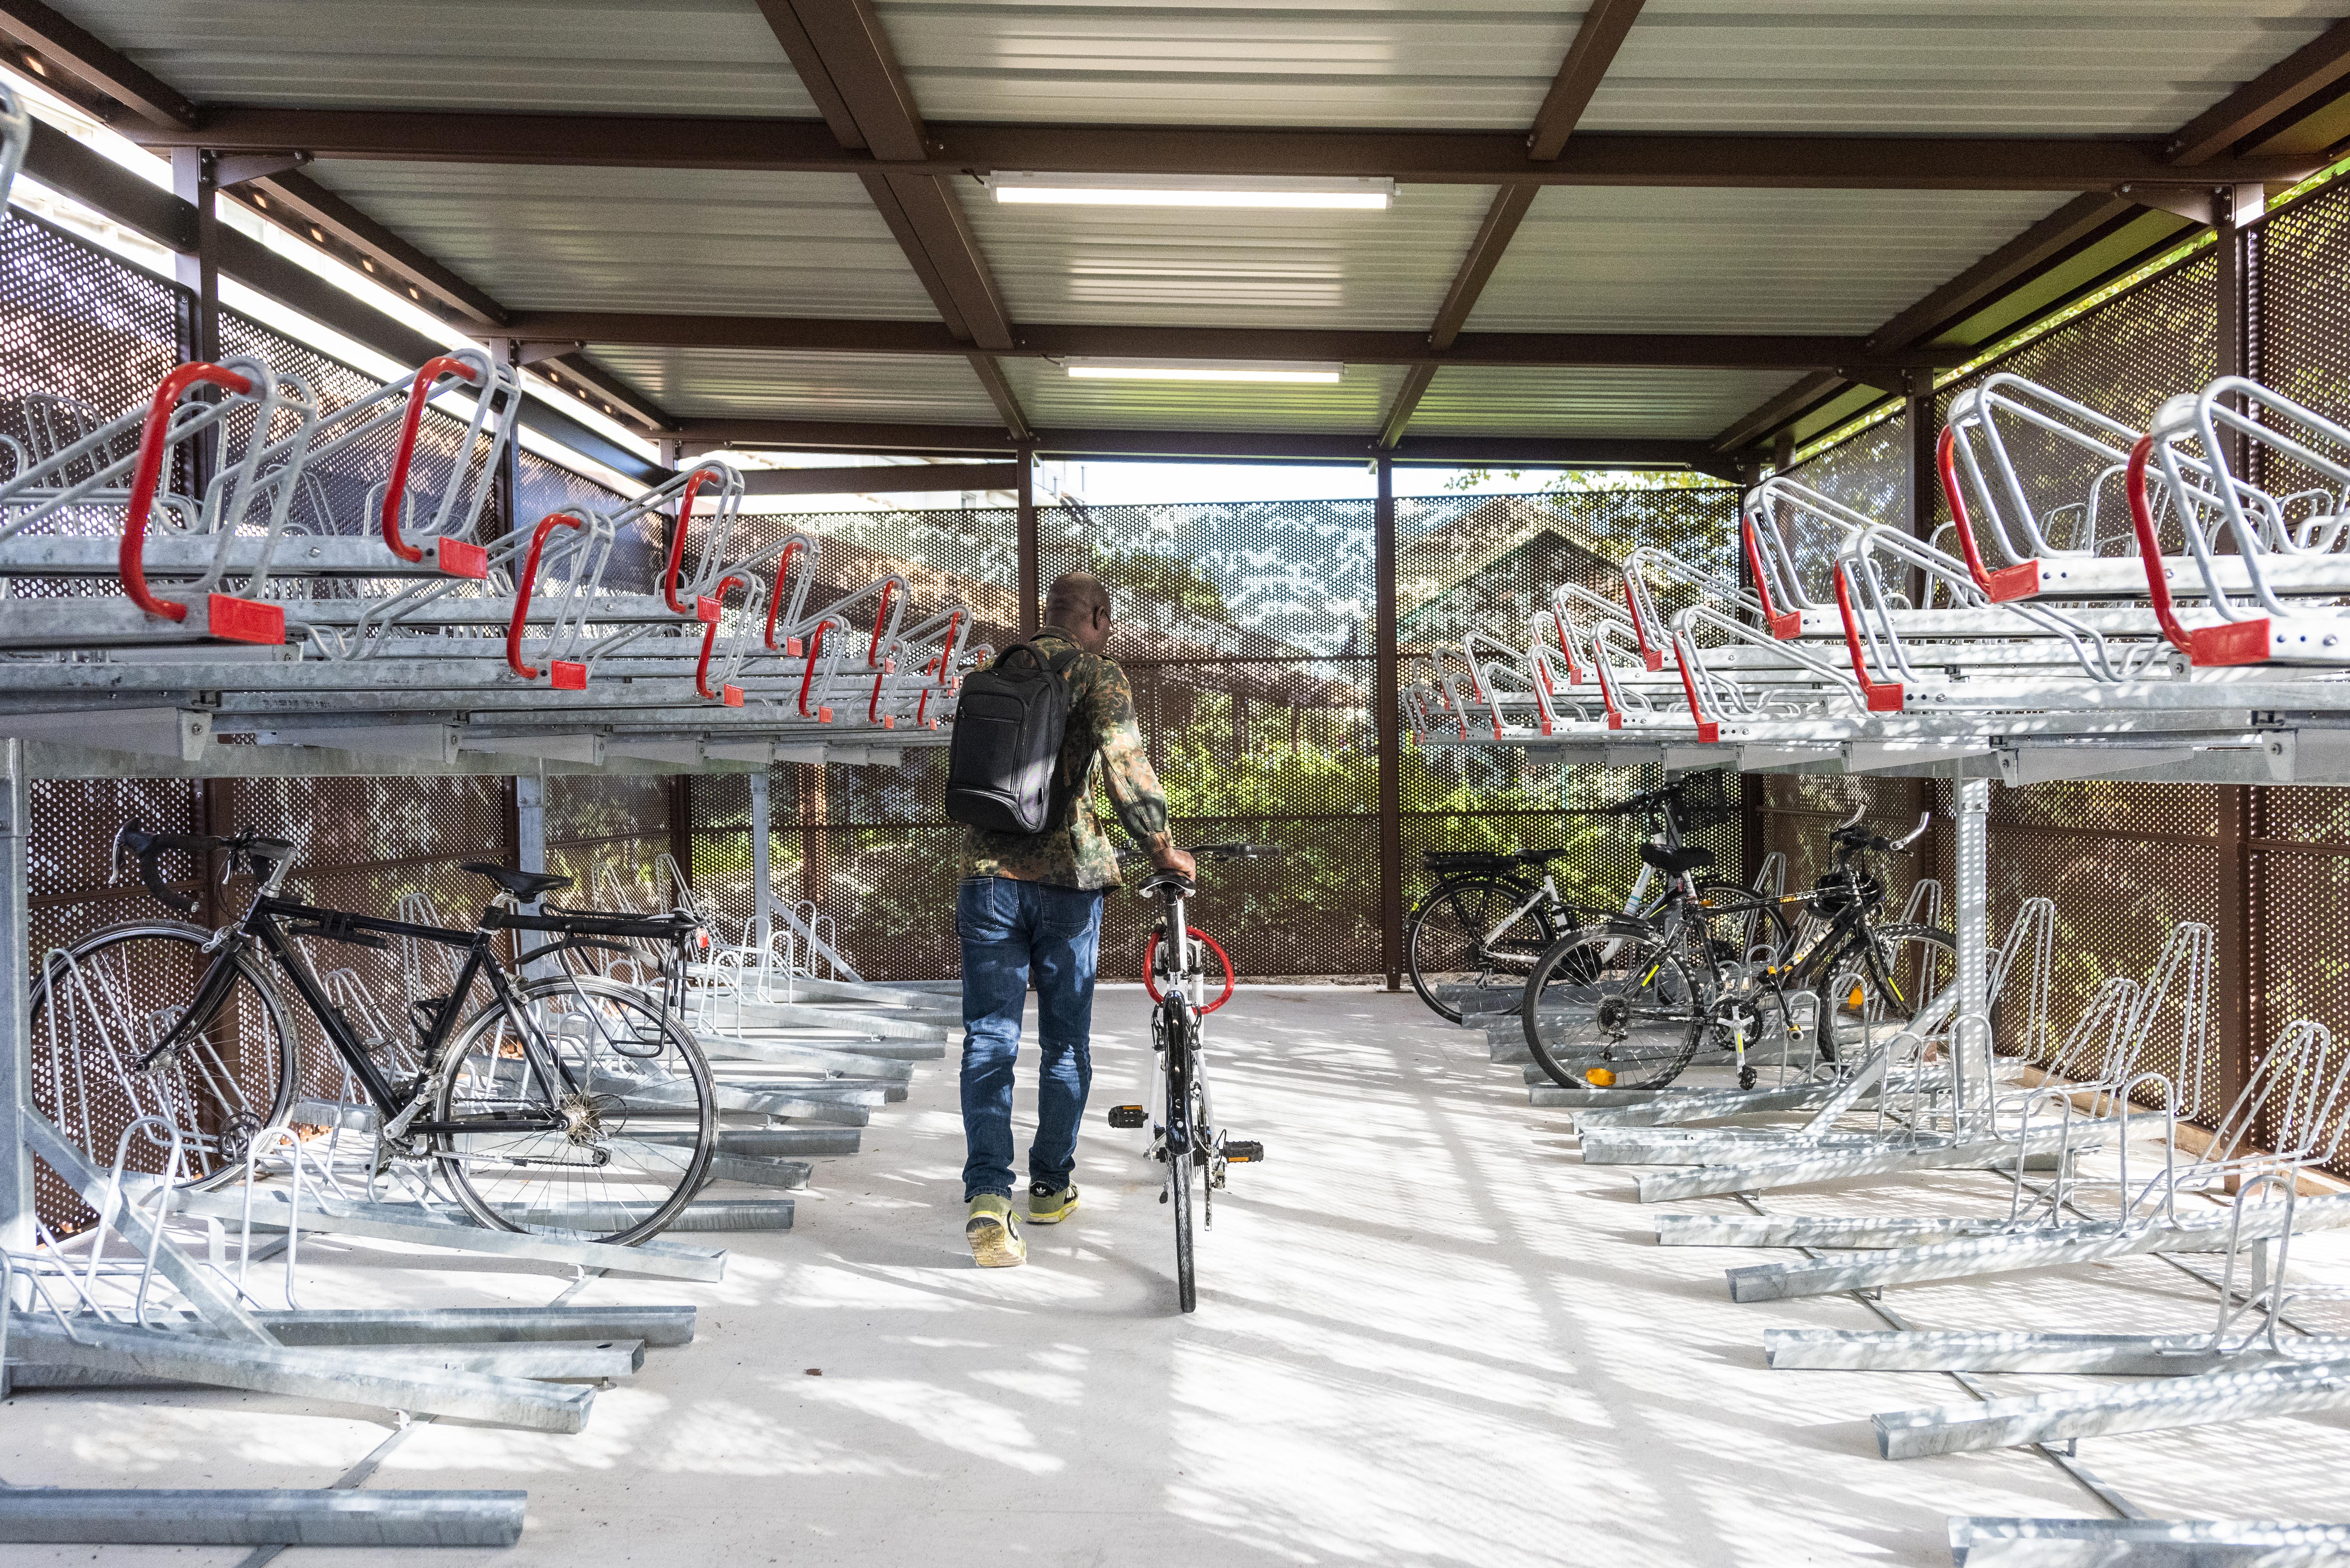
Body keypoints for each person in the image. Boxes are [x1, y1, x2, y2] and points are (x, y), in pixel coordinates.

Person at [956, 571, 1195, 1268]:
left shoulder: (1000, 668)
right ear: (1095, 615)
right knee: (1064, 1043)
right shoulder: (1098, 674)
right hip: (1068, 883)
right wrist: (1162, 847)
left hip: (986, 879)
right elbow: (1126, 768)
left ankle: (987, 1198)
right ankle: (1049, 1187)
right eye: (1109, 620)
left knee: (988, 1039)